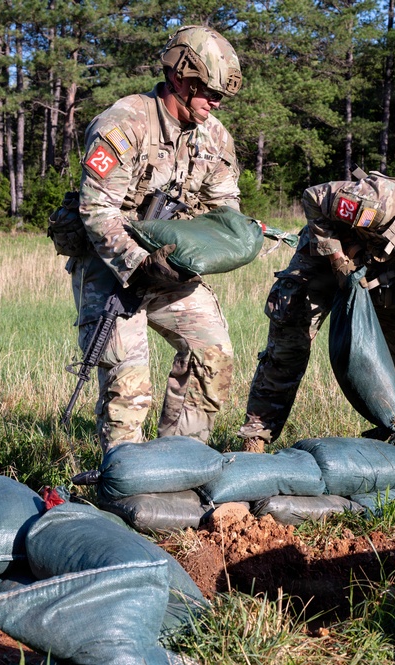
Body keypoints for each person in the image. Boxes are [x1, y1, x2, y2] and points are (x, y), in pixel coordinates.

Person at [69, 25, 243, 452]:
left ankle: (180, 462)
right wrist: (140, 263)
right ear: (181, 80)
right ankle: (123, 474)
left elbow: (225, 210)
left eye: (220, 96)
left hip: (172, 266)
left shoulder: (214, 136)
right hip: (113, 265)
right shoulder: (123, 124)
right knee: (128, 383)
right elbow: (97, 210)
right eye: (209, 92)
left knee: (212, 354)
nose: (216, 103)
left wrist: (224, 243)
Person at [237, 173, 395, 452]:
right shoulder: (383, 201)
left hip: (383, 284)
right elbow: (314, 197)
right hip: (324, 259)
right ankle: (256, 438)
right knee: (289, 345)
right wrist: (337, 258)